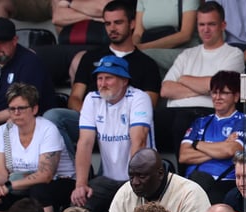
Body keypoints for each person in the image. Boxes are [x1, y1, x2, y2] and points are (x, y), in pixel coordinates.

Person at [45, 0, 163, 157]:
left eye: (118, 22)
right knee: (53, 117)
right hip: (91, 121)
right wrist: (93, 117)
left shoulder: (147, 64)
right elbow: (74, 98)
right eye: (107, 24)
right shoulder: (90, 57)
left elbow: (149, 104)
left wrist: (112, 120)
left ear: (132, 23)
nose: (112, 28)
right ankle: (75, 171)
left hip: (125, 125)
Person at [71, 55, 156, 212]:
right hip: (109, 179)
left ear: (124, 80)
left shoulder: (139, 98)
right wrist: (80, 184)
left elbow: (138, 141)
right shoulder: (91, 99)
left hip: (142, 178)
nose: (102, 83)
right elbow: (85, 143)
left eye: (108, 78)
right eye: (99, 78)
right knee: (79, 206)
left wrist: (134, 183)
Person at [0, 82, 76, 212]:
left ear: (34, 109)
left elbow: (46, 174)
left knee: (39, 191)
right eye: (12, 109)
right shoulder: (2, 131)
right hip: (20, 182)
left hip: (60, 181)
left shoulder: (47, 129)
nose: (16, 113)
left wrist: (10, 186)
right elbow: (0, 171)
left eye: (21, 108)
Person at [160, 2, 246, 155]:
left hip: (209, 114)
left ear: (223, 25)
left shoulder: (234, 54)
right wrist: (205, 88)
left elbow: (220, 87)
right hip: (175, 114)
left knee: (184, 123)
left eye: (211, 24)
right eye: (201, 24)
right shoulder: (187, 54)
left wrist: (184, 78)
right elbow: (166, 89)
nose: (206, 29)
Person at [0, 17, 57, 141]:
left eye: (2, 42)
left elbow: (22, 106)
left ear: (14, 41)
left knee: (15, 122)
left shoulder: (30, 62)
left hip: (23, 119)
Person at [178, 70, 246, 204]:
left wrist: (197, 144)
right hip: (193, 182)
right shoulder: (201, 121)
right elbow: (183, 156)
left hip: (225, 183)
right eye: (214, 92)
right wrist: (221, 147)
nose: (218, 97)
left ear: (236, 96)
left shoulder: (244, 120)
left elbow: (230, 151)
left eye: (224, 93)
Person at [134, 0, 199, 73]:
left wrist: (142, 48)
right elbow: (138, 33)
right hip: (146, 46)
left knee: (144, 57)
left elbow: (185, 35)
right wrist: (131, 48)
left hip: (183, 49)